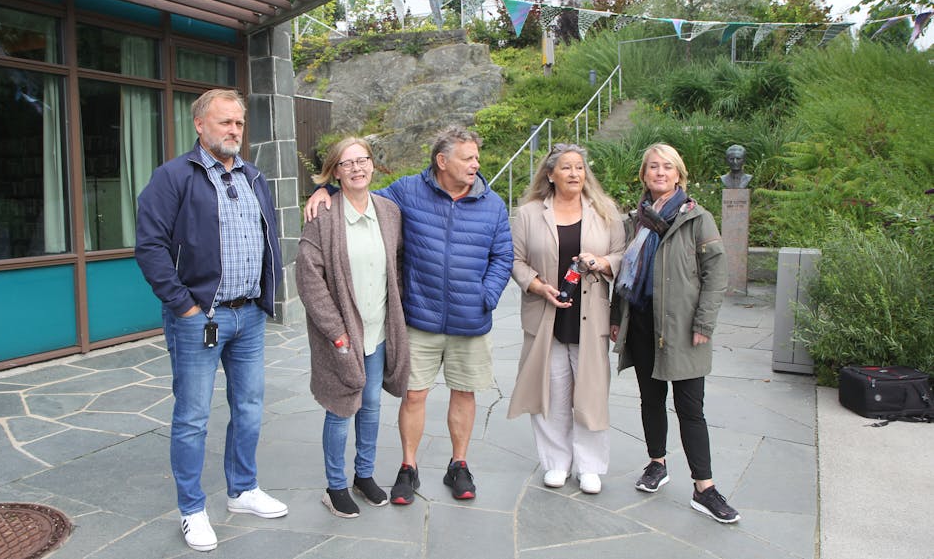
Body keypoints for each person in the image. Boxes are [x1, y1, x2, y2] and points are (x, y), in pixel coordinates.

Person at [304, 126, 513, 505]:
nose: (476, 165)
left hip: (471, 320)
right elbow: (360, 194)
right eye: (468, 158)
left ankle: (459, 464)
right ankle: (408, 468)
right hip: (420, 317)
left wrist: (487, 296)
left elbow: (503, 256)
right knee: (413, 394)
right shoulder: (405, 192)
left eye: (476, 157)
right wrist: (326, 190)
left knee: (464, 393)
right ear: (442, 161)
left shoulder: (493, 204)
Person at [135, 89, 287, 552]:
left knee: (249, 410)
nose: (234, 131)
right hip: (200, 318)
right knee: (192, 418)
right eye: (225, 123)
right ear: (200, 125)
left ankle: (242, 491)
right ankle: (192, 510)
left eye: (239, 123)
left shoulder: (254, 175)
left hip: (248, 317)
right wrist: (184, 306)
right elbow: (149, 246)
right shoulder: (173, 177)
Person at [609, 143, 739, 523]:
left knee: (690, 408)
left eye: (667, 167)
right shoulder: (634, 221)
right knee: (651, 399)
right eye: (653, 167)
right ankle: (657, 464)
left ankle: (705, 487)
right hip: (643, 324)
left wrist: (704, 323)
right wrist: (618, 315)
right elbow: (623, 275)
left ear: (679, 174)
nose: (660, 173)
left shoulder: (697, 218)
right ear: (644, 175)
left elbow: (717, 275)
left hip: (682, 329)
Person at [295, 137, 410, 518]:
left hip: (378, 331)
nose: (357, 168)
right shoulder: (323, 217)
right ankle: (335, 485)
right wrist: (336, 332)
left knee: (372, 406)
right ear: (335, 172)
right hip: (342, 335)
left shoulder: (389, 211)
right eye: (347, 163)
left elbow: (396, 265)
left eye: (363, 160)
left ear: (373, 165)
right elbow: (309, 280)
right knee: (341, 408)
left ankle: (364, 475)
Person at [507, 143, 625, 495]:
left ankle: (589, 466)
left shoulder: (605, 211)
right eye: (567, 168)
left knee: (590, 392)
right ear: (550, 174)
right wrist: (538, 285)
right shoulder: (529, 214)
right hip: (547, 315)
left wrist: (602, 263)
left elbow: (621, 255)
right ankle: (556, 462)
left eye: (579, 167)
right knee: (551, 391)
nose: (575, 174)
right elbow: (515, 261)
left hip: (591, 317)